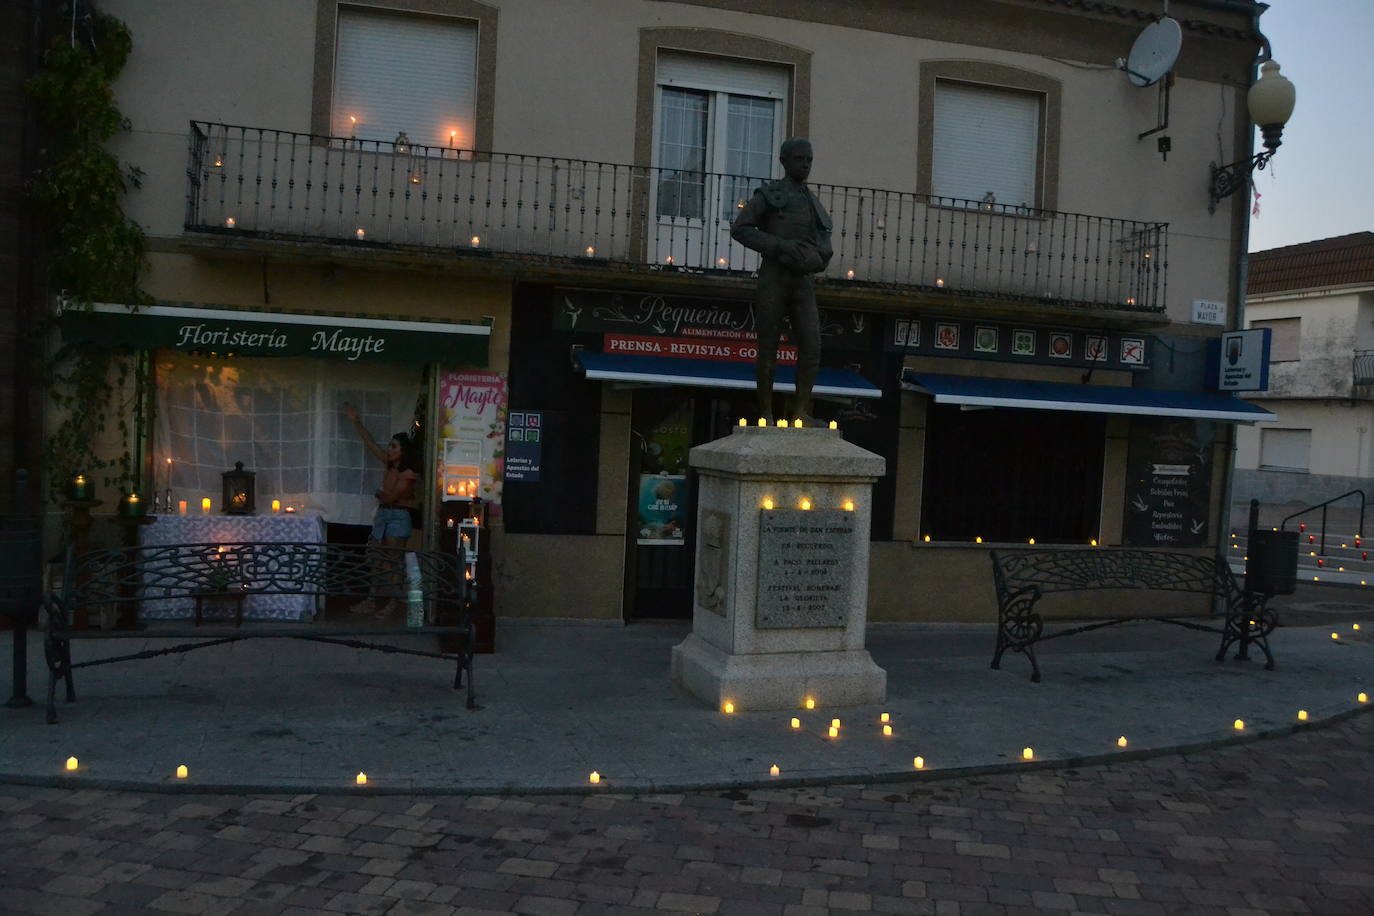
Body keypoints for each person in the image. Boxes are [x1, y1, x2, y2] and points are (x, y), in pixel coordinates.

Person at [730, 137, 834, 423]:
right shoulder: (770, 195)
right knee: (767, 347)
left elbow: (825, 243)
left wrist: (817, 258)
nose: (805, 164)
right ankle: (765, 412)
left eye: (809, 159)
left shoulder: (812, 203)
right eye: (800, 159)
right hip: (774, 277)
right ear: (785, 161)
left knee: (812, 346)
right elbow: (740, 228)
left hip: (802, 281)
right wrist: (780, 246)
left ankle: (800, 410)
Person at [343, 402, 419, 618]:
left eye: (394, 446)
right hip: (384, 514)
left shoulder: (409, 473)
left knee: (394, 561)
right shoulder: (390, 464)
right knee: (375, 557)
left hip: (398, 516)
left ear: (403, 451)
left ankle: (392, 604)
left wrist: (379, 494)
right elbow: (371, 443)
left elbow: (391, 496)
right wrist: (356, 421)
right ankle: (372, 599)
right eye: (390, 446)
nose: (389, 449)